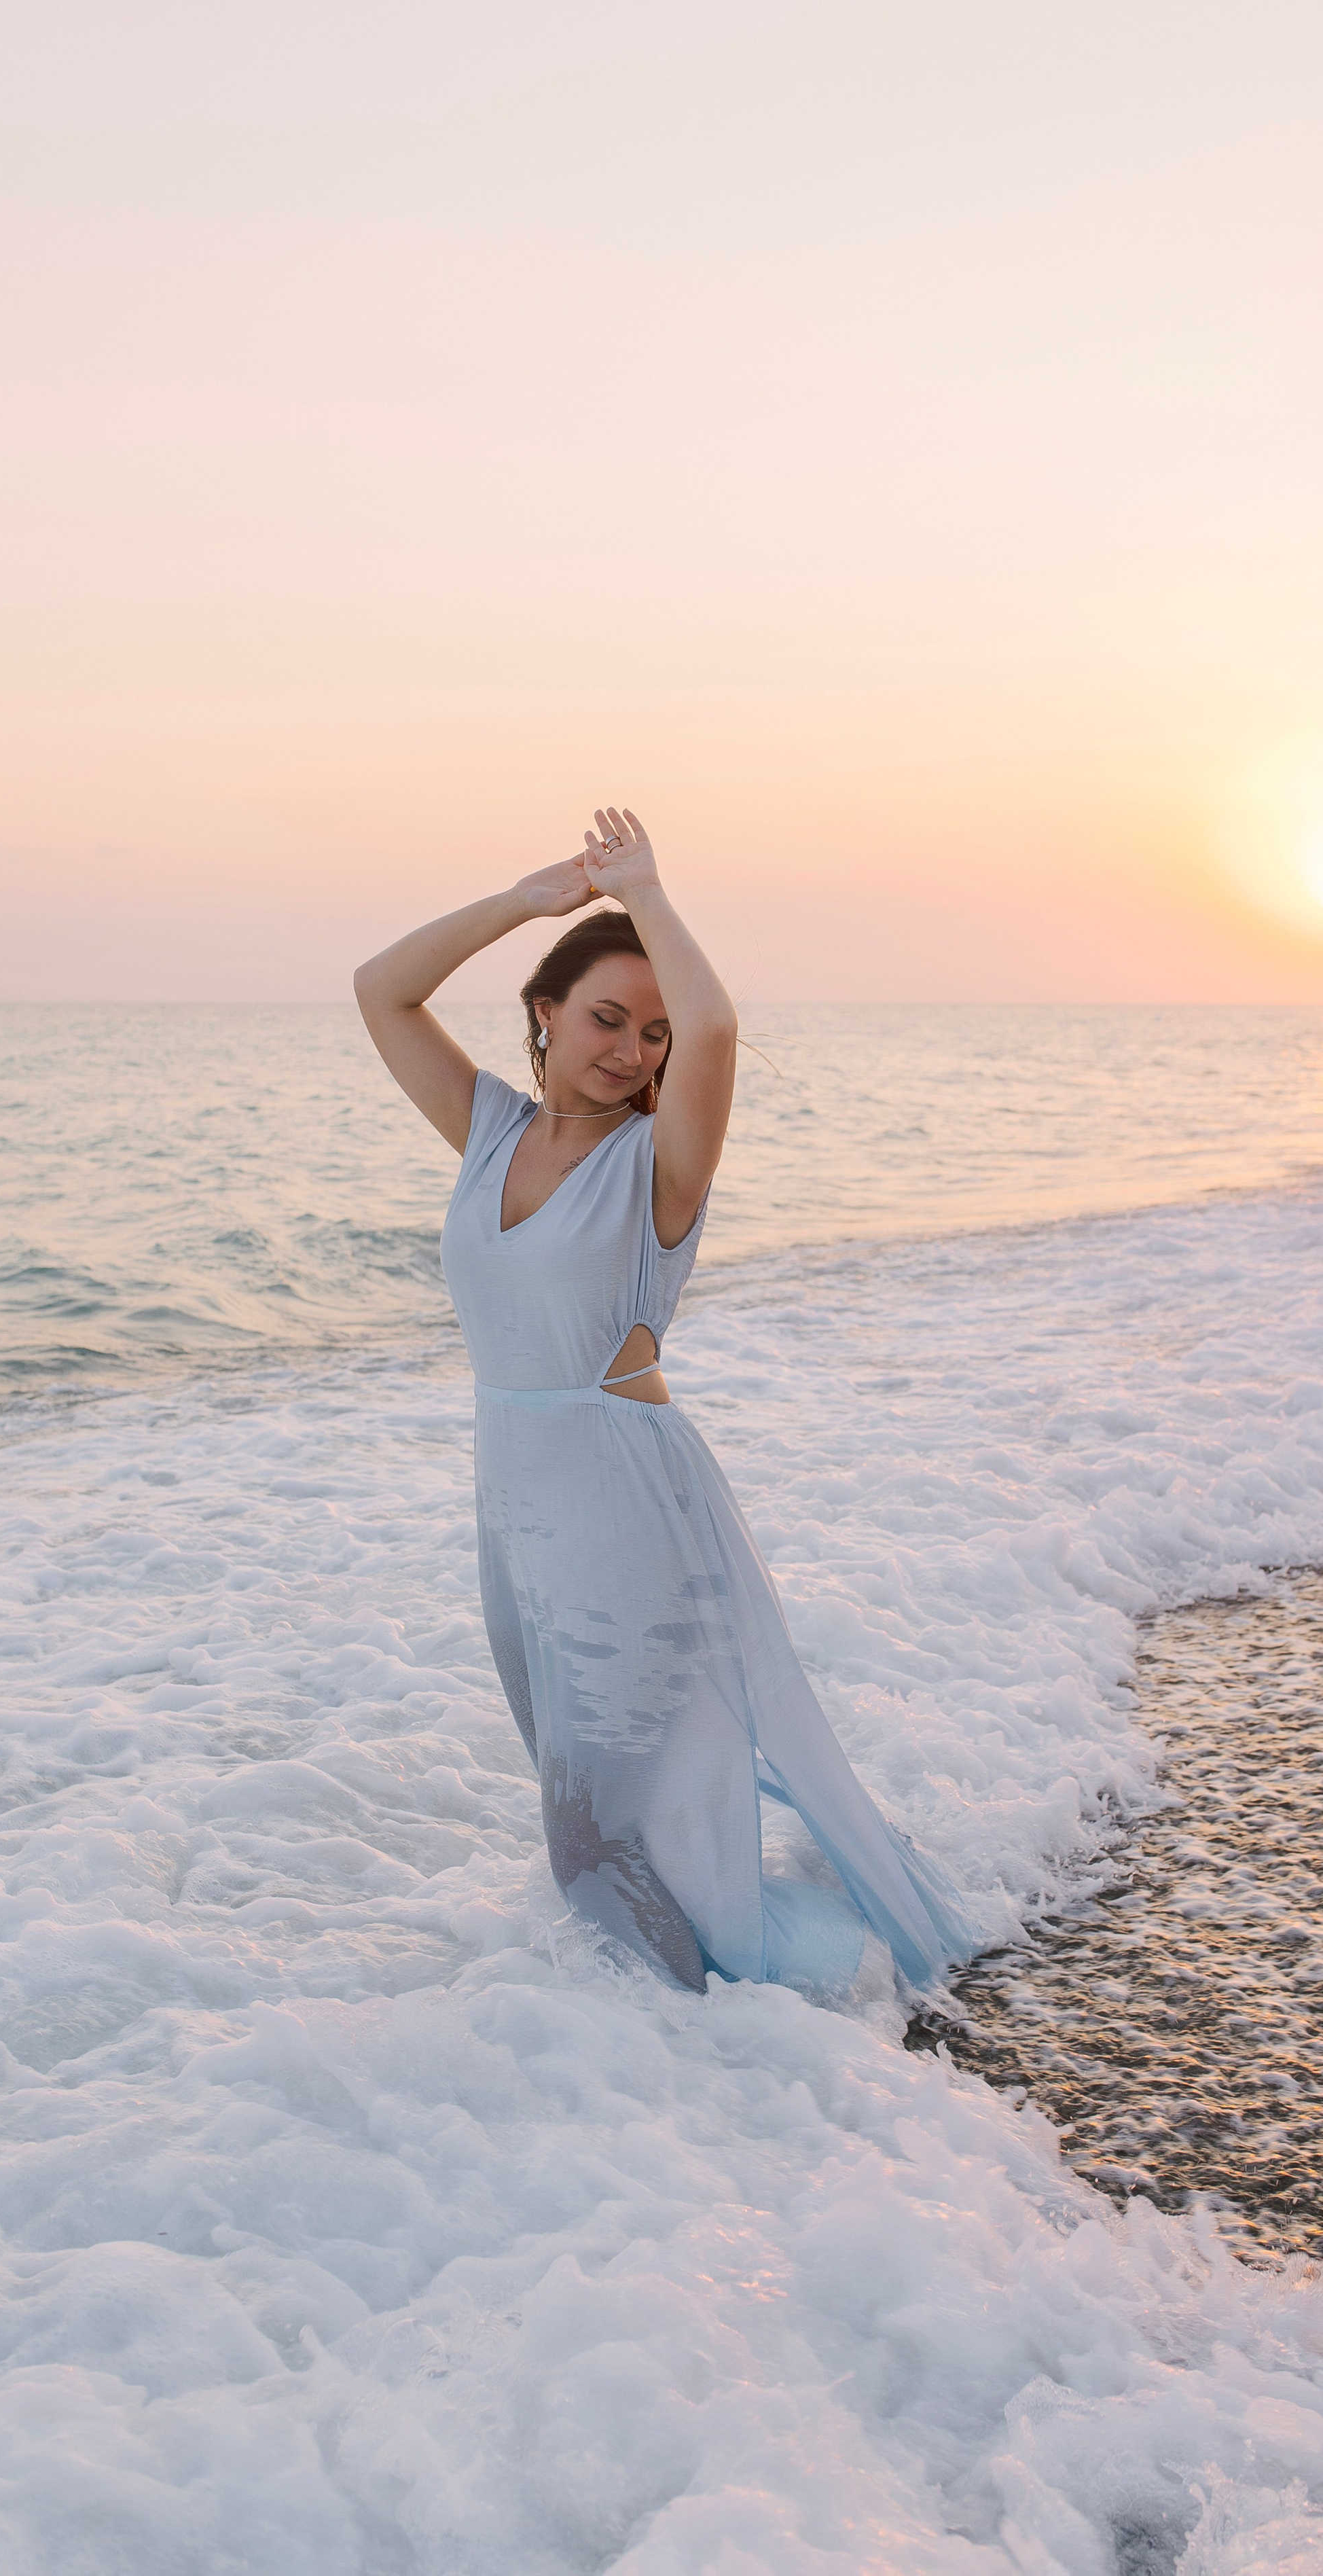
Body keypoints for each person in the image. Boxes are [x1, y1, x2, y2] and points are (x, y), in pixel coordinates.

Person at [355, 807, 971, 1997]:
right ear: (543, 1014)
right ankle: (674, 2041)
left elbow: (720, 1027)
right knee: (580, 1796)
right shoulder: (488, 1133)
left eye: (651, 1034)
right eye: (604, 1018)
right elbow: (382, 990)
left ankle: (710, 2054)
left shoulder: (661, 1167)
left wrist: (644, 897)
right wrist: (529, 901)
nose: (632, 1052)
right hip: (517, 1508)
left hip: (622, 1507)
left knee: (603, 1818)